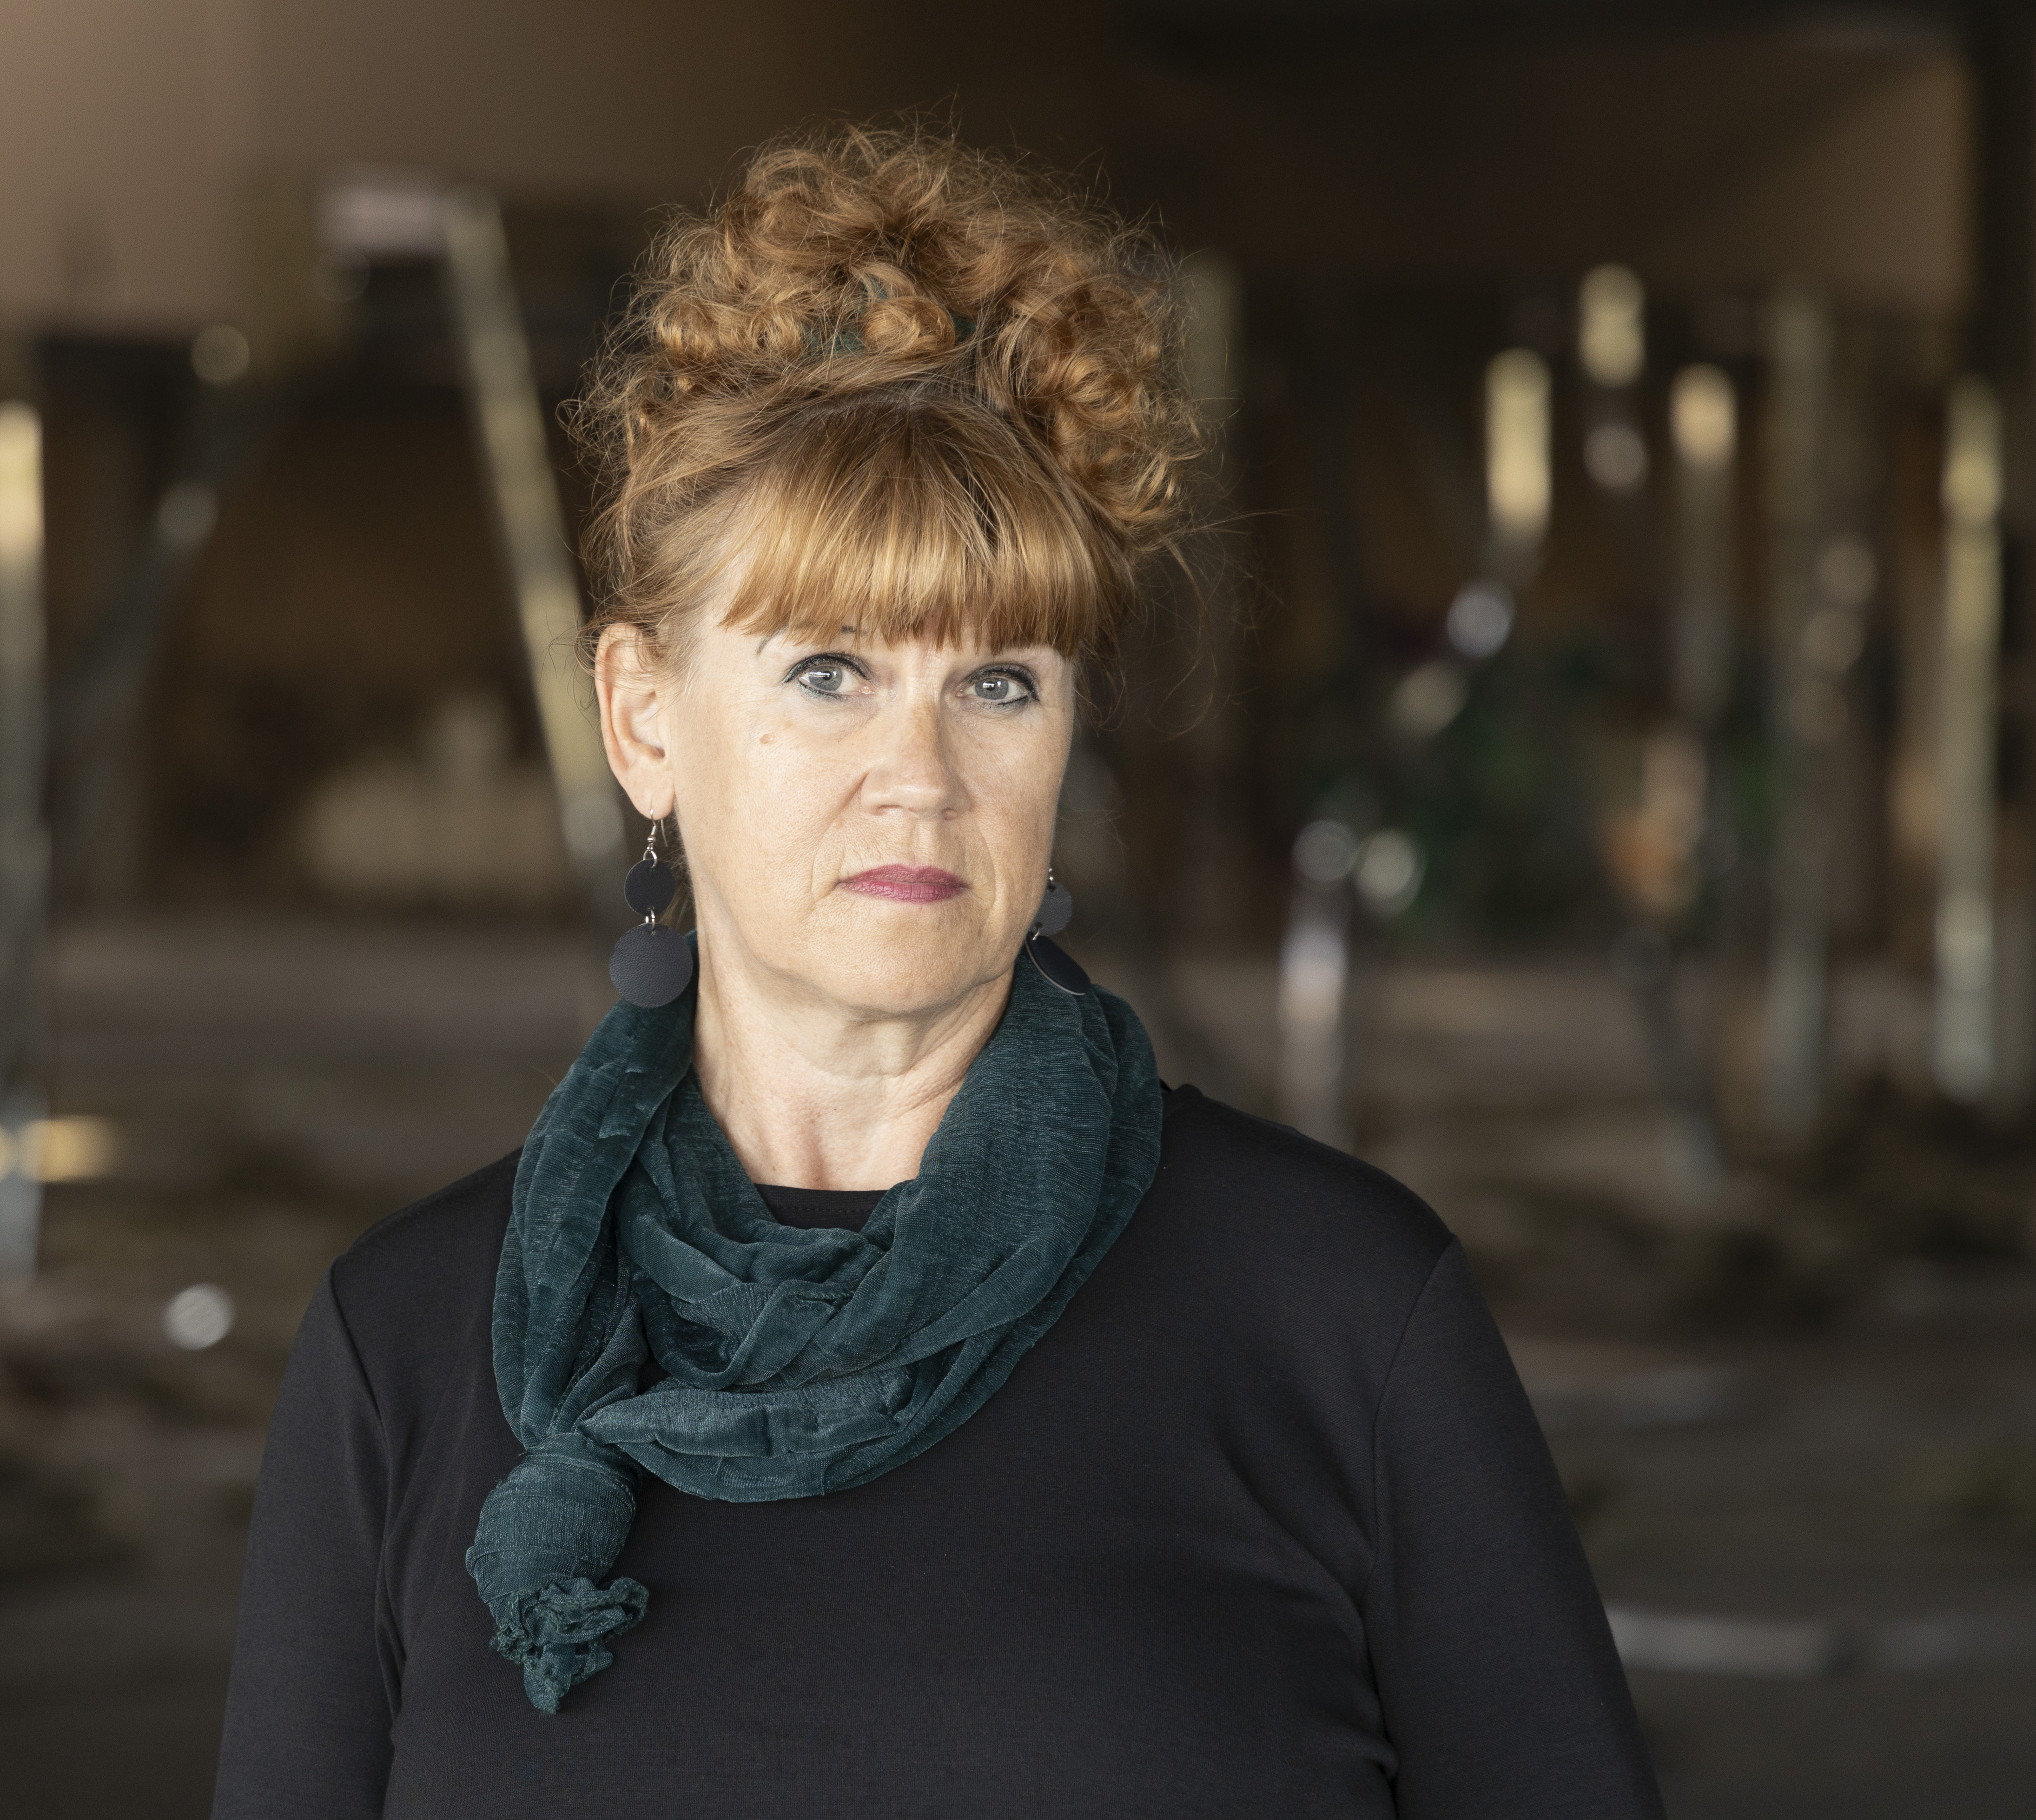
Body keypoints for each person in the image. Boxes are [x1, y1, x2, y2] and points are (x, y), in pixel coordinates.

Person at [212, 126, 1661, 1820]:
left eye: (999, 681)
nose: (921, 774)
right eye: (829, 670)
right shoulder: (405, 1347)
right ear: (643, 717)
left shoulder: (1337, 1311)